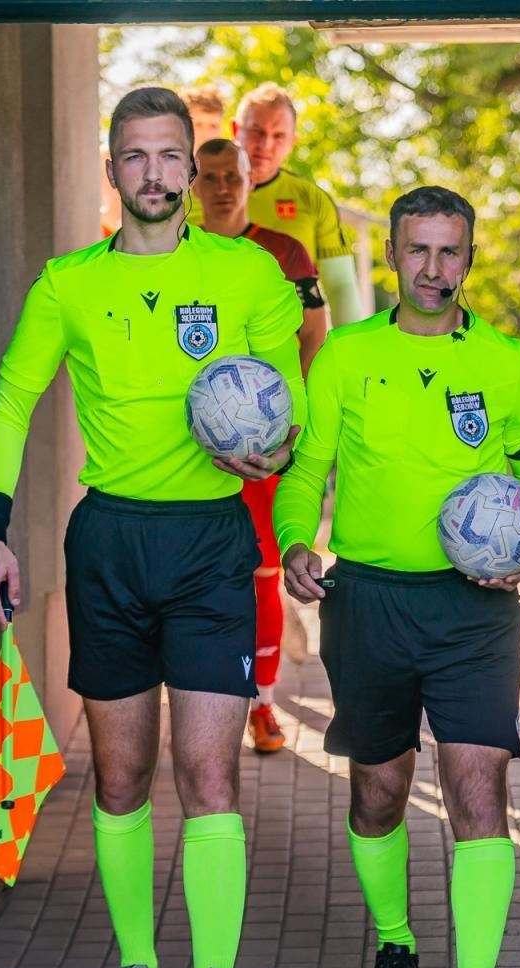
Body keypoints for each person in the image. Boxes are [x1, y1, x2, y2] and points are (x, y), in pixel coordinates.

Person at [0, 87, 307, 968]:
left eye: (172, 156)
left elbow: (283, 403)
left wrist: (276, 453)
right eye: (137, 157)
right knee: (118, 778)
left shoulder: (245, 274)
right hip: (109, 542)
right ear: (112, 168)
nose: (156, 174)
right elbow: (10, 400)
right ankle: (136, 964)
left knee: (207, 772)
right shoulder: (68, 283)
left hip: (211, 543)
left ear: (188, 167)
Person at [272, 186, 520, 968]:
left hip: (475, 609)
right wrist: (294, 542)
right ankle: (395, 939)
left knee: (481, 795)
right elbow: (304, 469)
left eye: (450, 252)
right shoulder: (348, 357)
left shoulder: (507, 367)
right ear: (393, 257)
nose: (434, 270)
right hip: (369, 603)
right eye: (418, 251)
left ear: (469, 259)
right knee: (378, 793)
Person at [193, 136, 328, 755]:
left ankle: (264, 706)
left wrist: (292, 430)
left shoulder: (285, 252)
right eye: (210, 176)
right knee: (207, 579)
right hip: (190, 451)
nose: (222, 187)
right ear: (195, 183)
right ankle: (212, 705)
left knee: (264, 574)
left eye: (232, 176)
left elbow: (314, 343)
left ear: (251, 180)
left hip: (268, 451)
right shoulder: (176, 253)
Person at [185, 82, 364, 328]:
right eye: (257, 132)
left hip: (292, 355)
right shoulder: (187, 195)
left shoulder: (311, 200)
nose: (266, 145)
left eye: (278, 136)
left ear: (292, 142)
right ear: (236, 129)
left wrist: (349, 358)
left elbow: (341, 287)